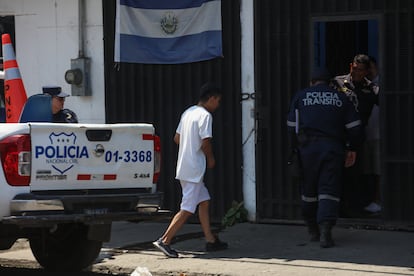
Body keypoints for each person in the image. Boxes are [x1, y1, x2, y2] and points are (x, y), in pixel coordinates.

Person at [287, 68, 363, 248]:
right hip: (332, 149)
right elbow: (355, 127)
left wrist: (294, 149)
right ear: (330, 83)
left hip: (307, 149)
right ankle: (326, 231)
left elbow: (291, 126)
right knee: (329, 189)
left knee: (309, 190)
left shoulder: (301, 97)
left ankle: (312, 228)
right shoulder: (340, 98)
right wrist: (352, 148)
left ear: (312, 82)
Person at [153, 82, 228, 258]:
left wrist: (190, 142)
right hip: (195, 168)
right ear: (211, 98)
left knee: (204, 201)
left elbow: (177, 138)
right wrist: (210, 158)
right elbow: (205, 141)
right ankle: (165, 240)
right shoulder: (205, 116)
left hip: (185, 166)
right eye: (218, 101)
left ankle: (210, 240)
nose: (218, 105)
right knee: (187, 208)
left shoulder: (188, 113)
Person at [330, 54, 379, 215]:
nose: (356, 73)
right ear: (351, 66)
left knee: (356, 173)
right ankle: (336, 206)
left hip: (358, 137)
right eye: (354, 69)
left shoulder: (372, 89)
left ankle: (353, 207)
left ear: (366, 72)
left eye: (361, 70)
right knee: (335, 171)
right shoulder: (338, 82)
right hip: (338, 135)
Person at [362, 56, 381, 213]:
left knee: (378, 171)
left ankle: (378, 200)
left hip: (379, 134)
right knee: (369, 171)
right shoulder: (363, 86)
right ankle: (372, 200)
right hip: (367, 134)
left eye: (370, 67)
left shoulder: (381, 85)